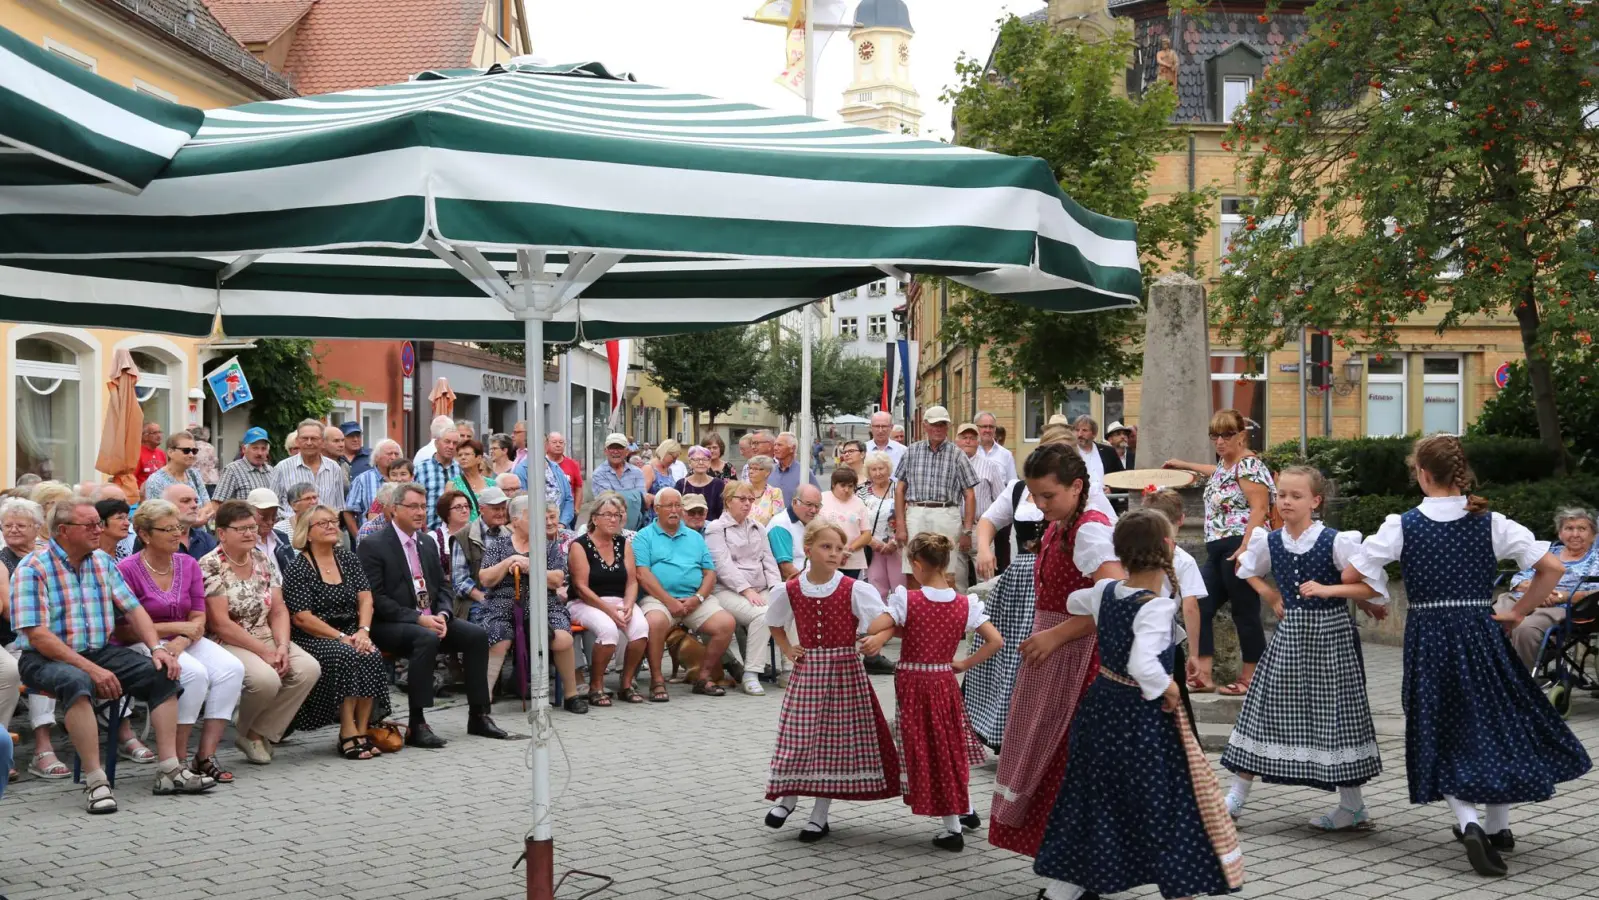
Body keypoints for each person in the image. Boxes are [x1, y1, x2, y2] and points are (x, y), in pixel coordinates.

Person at [1349, 434, 1591, 877]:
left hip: (1429, 638)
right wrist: (1518, 611)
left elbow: (1355, 571)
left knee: (1439, 726)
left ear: (1422, 474)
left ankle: (1471, 822)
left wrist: (1374, 597)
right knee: (1492, 721)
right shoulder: (1491, 522)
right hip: (1480, 632)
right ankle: (1498, 826)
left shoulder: (1402, 525)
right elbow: (1553, 568)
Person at [1032, 509, 1244, 900]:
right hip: (1139, 719)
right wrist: (1168, 687)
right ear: (1168, 546)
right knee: (1160, 803)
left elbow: (1075, 601)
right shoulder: (1157, 607)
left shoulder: (1105, 592)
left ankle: (1064, 890)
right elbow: (1143, 664)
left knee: (1097, 797)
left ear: (1120, 552)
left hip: (1100, 710)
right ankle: (1179, 884)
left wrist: (1098, 599)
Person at [14, 495, 213, 813]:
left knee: (163, 671)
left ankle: (169, 770)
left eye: (99, 523)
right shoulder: (32, 568)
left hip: (99, 650)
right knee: (78, 682)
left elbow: (133, 609)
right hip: (45, 657)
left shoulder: (101, 562)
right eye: (91, 525)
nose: (99, 529)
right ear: (63, 530)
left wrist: (157, 649)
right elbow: (38, 635)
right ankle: (96, 782)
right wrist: (92, 670)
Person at [1220, 468, 1384, 831]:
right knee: (1262, 707)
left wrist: (1329, 590)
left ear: (1315, 501)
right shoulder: (1271, 541)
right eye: (1281, 495)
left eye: (1296, 496)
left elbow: (1372, 587)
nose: (1286, 501)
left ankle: (1353, 806)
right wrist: (1270, 594)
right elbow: (1247, 570)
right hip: (1291, 634)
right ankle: (1235, 799)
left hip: (1331, 637)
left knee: (1336, 714)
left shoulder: (1336, 541)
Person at [990, 443, 1121, 858]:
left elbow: (1115, 600)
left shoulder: (1090, 529)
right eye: (1035, 495)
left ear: (1077, 486)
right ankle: (1066, 861)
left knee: (1067, 757)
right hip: (1055, 655)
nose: (1040, 504)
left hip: (1081, 659)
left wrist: (1056, 634)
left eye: (1048, 495)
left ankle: (1077, 865)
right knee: (1047, 750)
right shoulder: (1063, 522)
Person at [762, 520, 900, 842]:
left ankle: (819, 815)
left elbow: (887, 621)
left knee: (831, 744)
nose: (835, 553)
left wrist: (877, 639)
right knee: (797, 737)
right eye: (826, 547)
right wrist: (788, 648)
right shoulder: (791, 589)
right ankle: (788, 798)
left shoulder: (854, 589)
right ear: (808, 549)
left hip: (843, 674)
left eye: (839, 548)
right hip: (808, 672)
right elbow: (774, 623)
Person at [862, 533, 1001, 851]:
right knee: (947, 747)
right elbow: (996, 640)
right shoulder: (964, 603)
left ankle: (952, 828)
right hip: (944, 683)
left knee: (928, 752)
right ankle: (965, 809)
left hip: (914, 686)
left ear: (917, 564)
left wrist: (886, 629)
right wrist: (964, 663)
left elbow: (873, 626)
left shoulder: (908, 600)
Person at [359, 483, 506, 746]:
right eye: (413, 507)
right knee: (425, 638)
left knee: (475, 635)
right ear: (394, 510)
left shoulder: (426, 542)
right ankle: (417, 723)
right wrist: (418, 618)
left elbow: (443, 586)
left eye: (422, 507)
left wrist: (444, 615)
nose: (420, 512)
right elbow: (376, 599)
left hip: (431, 618)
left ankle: (479, 715)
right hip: (391, 623)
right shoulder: (374, 545)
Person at [117, 499, 246, 785]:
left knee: (232, 669)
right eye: (168, 529)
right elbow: (124, 629)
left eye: (178, 527)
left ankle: (205, 755)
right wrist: (176, 629)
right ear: (145, 534)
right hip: (141, 641)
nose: (177, 533)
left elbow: (198, 615)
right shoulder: (126, 569)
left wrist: (181, 640)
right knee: (193, 673)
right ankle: (176, 760)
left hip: (184, 640)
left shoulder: (187, 564)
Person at [1162, 408, 1275, 696]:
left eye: (1227, 435)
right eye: (1215, 436)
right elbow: (1216, 472)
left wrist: (1245, 548)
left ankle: (1252, 677)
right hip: (1217, 547)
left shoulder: (1248, 465)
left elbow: (1260, 508)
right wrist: (1183, 465)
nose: (1220, 441)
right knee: (1201, 603)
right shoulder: (1226, 465)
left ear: (1241, 435)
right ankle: (1203, 675)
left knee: (1244, 610)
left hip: (1238, 544)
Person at [200, 500, 321, 765]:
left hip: (266, 632)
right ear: (222, 533)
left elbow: (278, 609)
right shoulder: (210, 564)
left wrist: (282, 646)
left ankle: (253, 733)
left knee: (308, 669)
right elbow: (220, 623)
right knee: (266, 680)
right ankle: (249, 730)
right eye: (241, 528)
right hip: (230, 639)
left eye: (252, 527)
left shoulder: (261, 558)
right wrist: (265, 652)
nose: (249, 533)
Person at [281, 504, 390, 759]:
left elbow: (366, 598)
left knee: (371, 654)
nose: (331, 526)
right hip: (314, 637)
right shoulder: (299, 567)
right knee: (347, 655)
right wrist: (341, 637)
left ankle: (362, 730)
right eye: (323, 523)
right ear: (307, 533)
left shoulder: (348, 559)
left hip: (352, 632)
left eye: (333, 521)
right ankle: (347, 731)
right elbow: (302, 618)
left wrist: (363, 631)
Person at [475, 497, 586, 712]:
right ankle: (482, 701)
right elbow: (485, 579)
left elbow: (557, 579)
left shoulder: (548, 546)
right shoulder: (499, 546)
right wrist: (509, 562)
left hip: (544, 604)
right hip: (502, 605)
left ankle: (571, 695)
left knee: (562, 638)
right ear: (516, 520)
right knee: (498, 635)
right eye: (531, 515)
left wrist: (531, 566)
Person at [965, 476, 1047, 752]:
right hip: (1018, 582)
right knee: (1004, 655)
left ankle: (1028, 733)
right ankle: (1001, 728)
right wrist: (984, 549)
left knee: (1032, 657)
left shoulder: (1077, 488)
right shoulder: (1018, 489)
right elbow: (988, 521)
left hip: (1051, 578)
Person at [634, 487, 739, 699]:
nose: (674, 510)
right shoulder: (644, 536)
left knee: (726, 623)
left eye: (678, 505)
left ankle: (703, 677)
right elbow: (642, 574)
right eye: (669, 506)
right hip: (659, 599)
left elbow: (710, 573)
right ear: (656, 509)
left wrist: (698, 598)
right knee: (655, 622)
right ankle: (657, 680)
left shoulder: (695, 537)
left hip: (694, 598)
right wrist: (669, 601)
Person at [1, 496, 70, 779]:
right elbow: (10, 612)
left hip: (61, 632)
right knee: (42, 661)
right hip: (19, 637)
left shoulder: (51, 556)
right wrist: (44, 632)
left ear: (37, 527)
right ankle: (42, 747)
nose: (13, 530)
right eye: (8, 525)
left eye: (20, 525)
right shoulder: (3, 561)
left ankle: (118, 732)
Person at [567, 492, 651, 704]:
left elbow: (632, 581)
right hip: (585, 602)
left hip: (619, 601)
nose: (614, 519)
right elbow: (581, 587)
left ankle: (626, 683)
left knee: (641, 629)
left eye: (617, 515)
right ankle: (596, 686)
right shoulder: (579, 545)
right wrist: (609, 610)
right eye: (608, 515)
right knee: (608, 630)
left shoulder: (623, 544)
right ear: (595, 519)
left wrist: (629, 605)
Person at [1494, 507, 1598, 669]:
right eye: (1569, 528)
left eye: (1582, 529)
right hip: (1520, 597)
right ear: (1560, 533)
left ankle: (1521, 678)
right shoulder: (1547, 552)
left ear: (1593, 535)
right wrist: (1539, 590)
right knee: (1487, 620)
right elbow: (1519, 579)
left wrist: (1560, 596)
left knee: (1525, 629)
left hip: (1559, 606)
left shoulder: (1595, 560)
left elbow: (1593, 592)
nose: (1575, 534)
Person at [705, 480, 782, 697]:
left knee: (788, 606)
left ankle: (790, 670)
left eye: (750, 499)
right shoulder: (716, 529)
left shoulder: (758, 527)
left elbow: (769, 560)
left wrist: (777, 589)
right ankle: (751, 673)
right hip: (727, 590)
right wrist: (746, 590)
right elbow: (723, 566)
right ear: (728, 501)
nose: (747, 503)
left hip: (760, 587)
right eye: (742, 499)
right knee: (763, 615)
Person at [894, 406, 977, 591]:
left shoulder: (957, 454)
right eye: (934, 424)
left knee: (946, 571)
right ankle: (916, 608)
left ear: (948, 427)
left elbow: (969, 494)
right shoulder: (911, 451)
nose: (938, 429)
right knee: (912, 569)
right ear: (925, 425)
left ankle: (945, 609)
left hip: (946, 513)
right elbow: (899, 490)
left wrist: (967, 531)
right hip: (916, 511)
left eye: (942, 424)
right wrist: (900, 525)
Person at [273, 419, 349, 533]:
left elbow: (338, 507)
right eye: (304, 438)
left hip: (325, 532)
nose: (309, 443)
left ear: (322, 442)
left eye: (314, 438)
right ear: (297, 441)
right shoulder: (282, 468)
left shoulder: (334, 468)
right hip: (293, 532)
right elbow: (274, 505)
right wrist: (291, 523)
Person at [858, 452, 904, 597]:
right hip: (872, 547)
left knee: (900, 588)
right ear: (868, 472)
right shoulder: (862, 492)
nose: (878, 473)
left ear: (888, 469)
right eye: (873, 469)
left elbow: (908, 515)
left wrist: (895, 542)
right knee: (876, 588)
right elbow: (857, 521)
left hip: (898, 546)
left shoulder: (899, 489)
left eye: (881, 468)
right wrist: (871, 542)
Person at [955, 422, 1008, 547]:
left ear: (978, 442)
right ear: (956, 441)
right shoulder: (949, 466)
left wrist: (992, 524)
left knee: (984, 560)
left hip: (980, 528)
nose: (968, 441)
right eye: (964, 438)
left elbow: (1000, 499)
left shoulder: (990, 466)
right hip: (955, 527)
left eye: (972, 438)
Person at [142, 431, 213, 515]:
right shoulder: (156, 481)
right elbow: (156, 515)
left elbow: (208, 505)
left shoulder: (194, 474)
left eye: (194, 451)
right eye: (186, 451)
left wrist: (202, 513)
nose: (191, 455)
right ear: (170, 452)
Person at [819, 468, 871, 578]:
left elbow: (866, 534)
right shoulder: (822, 499)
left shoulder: (859, 503)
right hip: (826, 558)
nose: (846, 490)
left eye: (850, 486)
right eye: (842, 485)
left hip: (852, 560)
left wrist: (849, 549)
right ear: (834, 484)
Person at [592, 432, 649, 527]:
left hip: (635, 527)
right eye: (612, 448)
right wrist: (634, 497)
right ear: (605, 451)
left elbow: (642, 501)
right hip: (608, 527)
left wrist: (618, 495)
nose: (615, 451)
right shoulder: (599, 474)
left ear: (627, 451)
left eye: (619, 448)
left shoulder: (637, 472)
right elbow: (606, 502)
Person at [344, 439, 403, 528]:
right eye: (389, 454)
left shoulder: (405, 479)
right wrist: (358, 535)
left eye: (396, 454)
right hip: (371, 534)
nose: (393, 457)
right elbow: (349, 511)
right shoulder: (362, 480)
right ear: (376, 457)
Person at [768, 484, 820, 581]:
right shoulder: (780, 525)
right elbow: (786, 570)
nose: (814, 510)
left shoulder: (813, 521)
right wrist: (814, 585)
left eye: (817, 506)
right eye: (809, 505)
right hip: (796, 584)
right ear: (795, 502)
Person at [154, 484, 218, 561]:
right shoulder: (153, 540)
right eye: (186, 501)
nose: (195, 505)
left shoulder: (206, 540)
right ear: (167, 505)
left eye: (196, 501)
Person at [214, 427, 275, 503]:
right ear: (244, 449)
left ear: (267, 451)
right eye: (255, 448)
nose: (260, 453)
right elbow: (217, 503)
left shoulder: (271, 471)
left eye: (263, 449)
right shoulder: (232, 470)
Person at [675, 445, 725, 522]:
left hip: (712, 527)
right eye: (696, 459)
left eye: (705, 459)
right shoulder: (681, 484)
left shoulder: (719, 484)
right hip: (687, 527)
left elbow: (722, 511)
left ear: (709, 463)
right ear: (690, 463)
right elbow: (677, 510)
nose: (701, 462)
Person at [770, 432, 819, 508]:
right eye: (775, 445)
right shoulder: (769, 471)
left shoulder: (804, 473)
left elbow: (817, 499)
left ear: (792, 448)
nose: (775, 448)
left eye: (779, 445)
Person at [451, 439, 492, 521]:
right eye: (460, 455)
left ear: (479, 458)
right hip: (464, 528)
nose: (463, 457)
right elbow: (448, 514)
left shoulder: (492, 484)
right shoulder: (453, 484)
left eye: (467, 454)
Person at [974, 411, 1016, 482]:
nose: (988, 430)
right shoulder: (969, 453)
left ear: (995, 429)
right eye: (984, 426)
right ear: (976, 427)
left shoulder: (1006, 455)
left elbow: (1013, 483)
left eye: (991, 427)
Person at [745, 455, 786, 526]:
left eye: (755, 469)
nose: (750, 471)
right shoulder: (742, 491)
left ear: (767, 472)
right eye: (750, 468)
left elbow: (778, 520)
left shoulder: (775, 493)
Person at [646, 440, 682, 509]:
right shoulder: (649, 468)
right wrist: (664, 501)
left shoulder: (669, 470)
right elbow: (642, 495)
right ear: (665, 452)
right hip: (653, 513)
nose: (674, 461)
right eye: (674, 458)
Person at [137, 422, 166, 489]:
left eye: (160, 432)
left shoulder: (161, 453)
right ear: (145, 436)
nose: (159, 436)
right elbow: (132, 478)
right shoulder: (137, 453)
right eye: (154, 433)